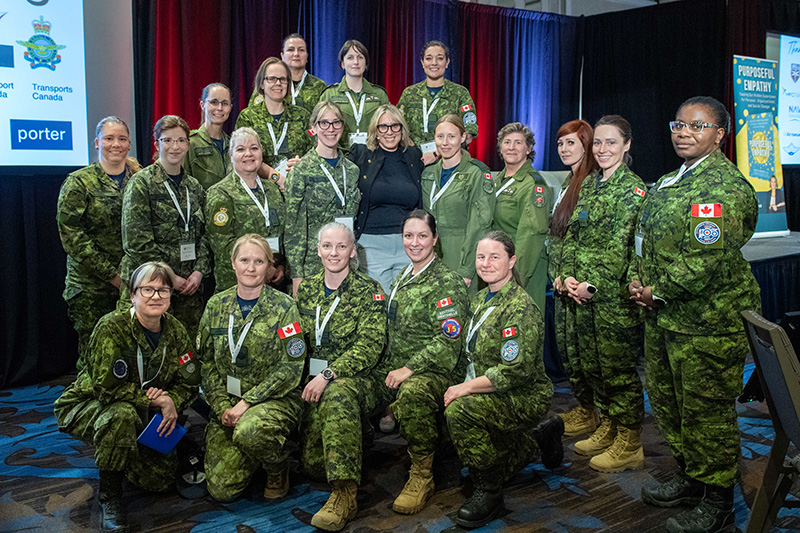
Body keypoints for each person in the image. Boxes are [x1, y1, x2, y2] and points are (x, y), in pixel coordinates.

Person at [631, 96, 760, 533]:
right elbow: (642, 238)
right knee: (669, 406)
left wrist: (656, 291)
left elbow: (707, 260)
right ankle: (690, 479)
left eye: (697, 126)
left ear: (720, 134)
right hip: (664, 317)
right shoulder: (670, 181)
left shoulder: (724, 188)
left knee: (706, 414)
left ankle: (718, 499)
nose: (684, 132)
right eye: (679, 124)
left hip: (707, 323)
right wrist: (636, 281)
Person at [54, 261, 200, 533]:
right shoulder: (111, 328)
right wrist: (155, 400)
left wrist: (171, 401)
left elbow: (190, 382)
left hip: (145, 410)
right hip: (90, 404)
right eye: (147, 289)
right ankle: (109, 496)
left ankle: (130, 449)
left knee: (160, 481)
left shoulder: (176, 331)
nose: (156, 296)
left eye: (163, 290)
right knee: (120, 416)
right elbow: (107, 390)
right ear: (132, 295)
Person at [444, 231, 562, 529]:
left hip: (522, 394)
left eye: (495, 257)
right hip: (490, 389)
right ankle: (539, 439)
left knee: (460, 411)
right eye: (481, 257)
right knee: (498, 458)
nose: (485, 263)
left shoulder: (519, 308)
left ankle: (490, 493)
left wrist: (465, 388)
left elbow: (513, 371)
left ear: (511, 261)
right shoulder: (481, 298)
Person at [560, 115, 646, 473]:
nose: (603, 149)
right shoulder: (591, 184)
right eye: (598, 143)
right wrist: (566, 276)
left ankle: (629, 441)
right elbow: (571, 236)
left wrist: (591, 285)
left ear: (626, 146)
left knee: (619, 370)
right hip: (581, 295)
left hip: (612, 300)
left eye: (612, 142)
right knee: (594, 367)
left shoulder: (635, 190)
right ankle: (609, 425)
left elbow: (624, 249)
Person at [372, 210, 468, 516]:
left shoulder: (447, 283)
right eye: (409, 236)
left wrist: (408, 369)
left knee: (413, 392)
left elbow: (448, 340)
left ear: (435, 239)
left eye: (422, 236)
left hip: (435, 372)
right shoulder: (404, 276)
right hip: (399, 367)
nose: (415, 243)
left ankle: (421, 475)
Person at [197, 234, 306, 502]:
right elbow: (206, 362)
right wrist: (222, 405)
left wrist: (247, 402)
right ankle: (255, 454)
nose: (251, 267)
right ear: (233, 263)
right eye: (244, 260)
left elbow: (291, 367)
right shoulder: (216, 305)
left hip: (274, 400)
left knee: (250, 431)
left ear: (269, 268)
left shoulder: (284, 307)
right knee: (222, 491)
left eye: (259, 261)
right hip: (228, 403)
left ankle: (277, 466)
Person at [296, 223, 386, 531]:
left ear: (352, 251)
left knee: (337, 393)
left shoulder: (370, 290)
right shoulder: (306, 288)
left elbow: (370, 347)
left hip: (361, 379)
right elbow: (297, 341)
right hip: (314, 381)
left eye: (341, 247)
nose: (333, 253)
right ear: (318, 249)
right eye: (327, 246)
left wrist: (328, 373)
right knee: (312, 465)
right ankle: (359, 433)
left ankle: (344, 494)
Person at [57, 116, 141, 369]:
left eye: (122, 139)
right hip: (90, 287)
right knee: (94, 357)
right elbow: (72, 236)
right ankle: (88, 407)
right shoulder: (79, 182)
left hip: (132, 282)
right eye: (109, 138)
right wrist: (112, 275)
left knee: (128, 353)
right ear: (96, 143)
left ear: (129, 144)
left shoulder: (139, 179)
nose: (115, 144)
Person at [121, 115, 210, 338]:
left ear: (188, 144)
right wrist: (169, 277)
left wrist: (199, 271)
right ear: (157, 144)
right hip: (152, 288)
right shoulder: (142, 183)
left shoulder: (195, 187)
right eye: (167, 140)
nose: (175, 146)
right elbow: (136, 241)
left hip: (190, 289)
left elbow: (205, 236)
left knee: (184, 353)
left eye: (181, 140)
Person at [549, 119, 599, 437]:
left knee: (591, 356)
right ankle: (586, 409)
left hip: (582, 286)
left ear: (587, 144)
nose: (564, 149)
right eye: (561, 143)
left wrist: (574, 278)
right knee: (572, 354)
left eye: (571, 143)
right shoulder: (569, 182)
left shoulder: (592, 182)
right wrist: (558, 276)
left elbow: (591, 241)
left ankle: (604, 420)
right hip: (563, 283)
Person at [285, 101, 361, 297]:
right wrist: (297, 276)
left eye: (336, 123)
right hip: (314, 266)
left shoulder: (352, 170)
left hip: (348, 263)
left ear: (343, 127)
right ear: (314, 128)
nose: (330, 129)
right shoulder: (301, 170)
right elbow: (294, 228)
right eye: (324, 123)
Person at [348, 104, 423, 292]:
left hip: (408, 244)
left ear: (402, 129)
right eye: (383, 127)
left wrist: (436, 154)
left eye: (394, 126)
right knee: (378, 304)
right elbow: (333, 161)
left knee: (407, 305)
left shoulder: (413, 156)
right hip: (371, 244)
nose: (389, 132)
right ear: (375, 130)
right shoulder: (361, 154)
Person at [205, 127, 285, 293]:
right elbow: (223, 246)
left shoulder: (273, 190)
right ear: (231, 155)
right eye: (241, 149)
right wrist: (262, 268)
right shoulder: (220, 193)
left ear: (261, 153)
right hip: (236, 287)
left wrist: (281, 265)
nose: (248, 154)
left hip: (275, 284)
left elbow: (283, 233)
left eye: (254, 148)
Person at [421, 115, 494, 288]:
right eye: (440, 136)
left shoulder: (477, 174)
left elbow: (479, 225)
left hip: (461, 253)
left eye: (451, 136)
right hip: (431, 256)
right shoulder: (428, 174)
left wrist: (466, 269)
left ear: (462, 137)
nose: (445, 142)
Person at [491, 122, 553, 311]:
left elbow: (532, 236)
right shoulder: (496, 181)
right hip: (499, 265)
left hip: (523, 268)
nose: (511, 147)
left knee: (521, 328)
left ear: (529, 148)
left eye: (518, 143)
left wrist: (515, 278)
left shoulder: (533, 185)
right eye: (507, 142)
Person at [236, 57, 314, 193]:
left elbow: (315, 151)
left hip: (296, 191)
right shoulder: (247, 117)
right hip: (259, 192)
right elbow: (243, 158)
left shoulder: (302, 116)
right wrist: (277, 178)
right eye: (272, 79)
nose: (278, 83)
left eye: (283, 79)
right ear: (261, 83)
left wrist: (301, 163)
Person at [397, 41, 478, 166]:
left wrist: (436, 154)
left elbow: (467, 135)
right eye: (429, 58)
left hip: (449, 164)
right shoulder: (409, 94)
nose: (434, 63)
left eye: (440, 58)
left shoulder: (460, 93)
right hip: (415, 162)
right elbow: (398, 127)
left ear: (447, 62)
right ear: (422, 63)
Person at [319, 40, 389, 148]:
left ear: (366, 63)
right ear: (342, 64)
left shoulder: (379, 94)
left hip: (373, 155)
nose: (356, 62)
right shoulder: (329, 95)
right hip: (340, 155)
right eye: (350, 57)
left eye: (360, 57)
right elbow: (318, 129)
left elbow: (389, 126)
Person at [249, 34, 327, 114]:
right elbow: (253, 115)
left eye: (301, 50)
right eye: (290, 50)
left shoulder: (320, 86)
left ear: (307, 56)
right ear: (282, 56)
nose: (296, 54)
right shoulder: (269, 84)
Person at [185, 83, 233, 191]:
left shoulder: (233, 145)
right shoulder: (190, 143)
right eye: (214, 102)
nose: (220, 108)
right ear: (203, 105)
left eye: (225, 103)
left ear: (230, 107)